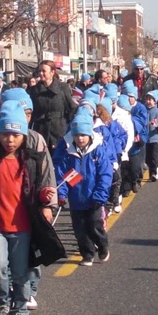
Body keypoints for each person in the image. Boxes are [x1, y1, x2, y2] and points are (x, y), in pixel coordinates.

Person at [0, 102, 57, 315]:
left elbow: (41, 187)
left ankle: (21, 311)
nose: (10, 140)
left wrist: (46, 200)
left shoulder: (32, 159)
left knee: (20, 272)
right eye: (5, 134)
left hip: (23, 226)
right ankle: (4, 305)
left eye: (16, 135)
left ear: (23, 135)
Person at [54, 112, 116, 267]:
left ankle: (102, 245)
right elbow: (60, 174)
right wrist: (61, 194)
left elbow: (105, 174)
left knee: (94, 225)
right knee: (80, 230)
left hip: (94, 197)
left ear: (89, 134)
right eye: (76, 135)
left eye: (83, 135)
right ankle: (87, 254)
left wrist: (100, 195)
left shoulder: (98, 151)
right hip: (76, 199)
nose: (80, 138)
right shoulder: (67, 152)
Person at [26, 61, 75, 148]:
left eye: (44, 71)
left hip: (59, 130)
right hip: (40, 130)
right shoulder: (34, 90)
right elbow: (31, 112)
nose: (41, 73)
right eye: (39, 71)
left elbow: (71, 108)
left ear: (52, 72)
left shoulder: (62, 88)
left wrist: (67, 126)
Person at [142, 92, 158, 181]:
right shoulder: (143, 111)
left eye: (150, 100)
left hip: (155, 139)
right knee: (147, 159)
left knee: (154, 157)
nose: (148, 101)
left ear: (155, 101)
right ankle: (153, 169)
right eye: (147, 99)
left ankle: (153, 173)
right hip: (145, 139)